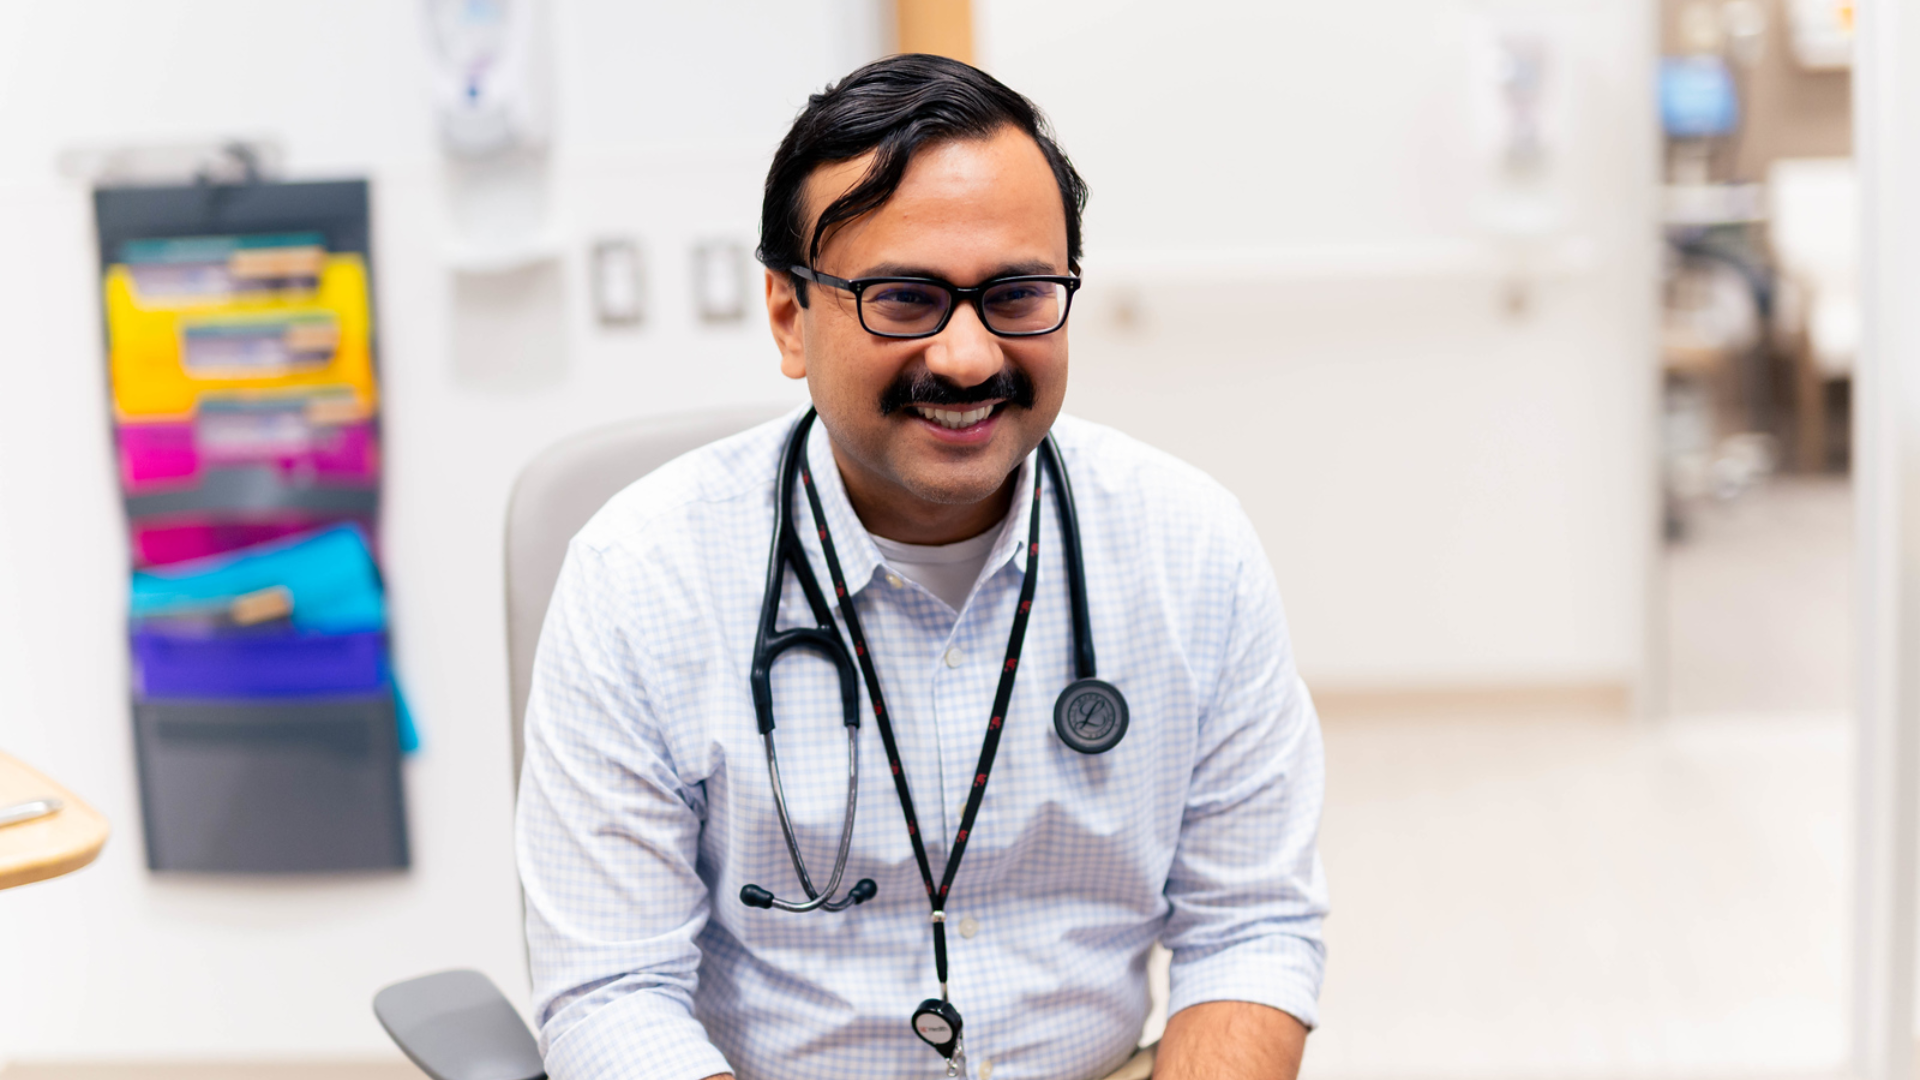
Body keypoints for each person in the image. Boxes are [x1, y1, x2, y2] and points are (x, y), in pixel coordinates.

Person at [516, 54, 1327, 1080]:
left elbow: (1250, 929)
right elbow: (614, 997)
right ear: (786, 315)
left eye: (1019, 294)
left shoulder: (1190, 549)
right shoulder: (641, 581)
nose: (968, 357)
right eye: (903, 299)